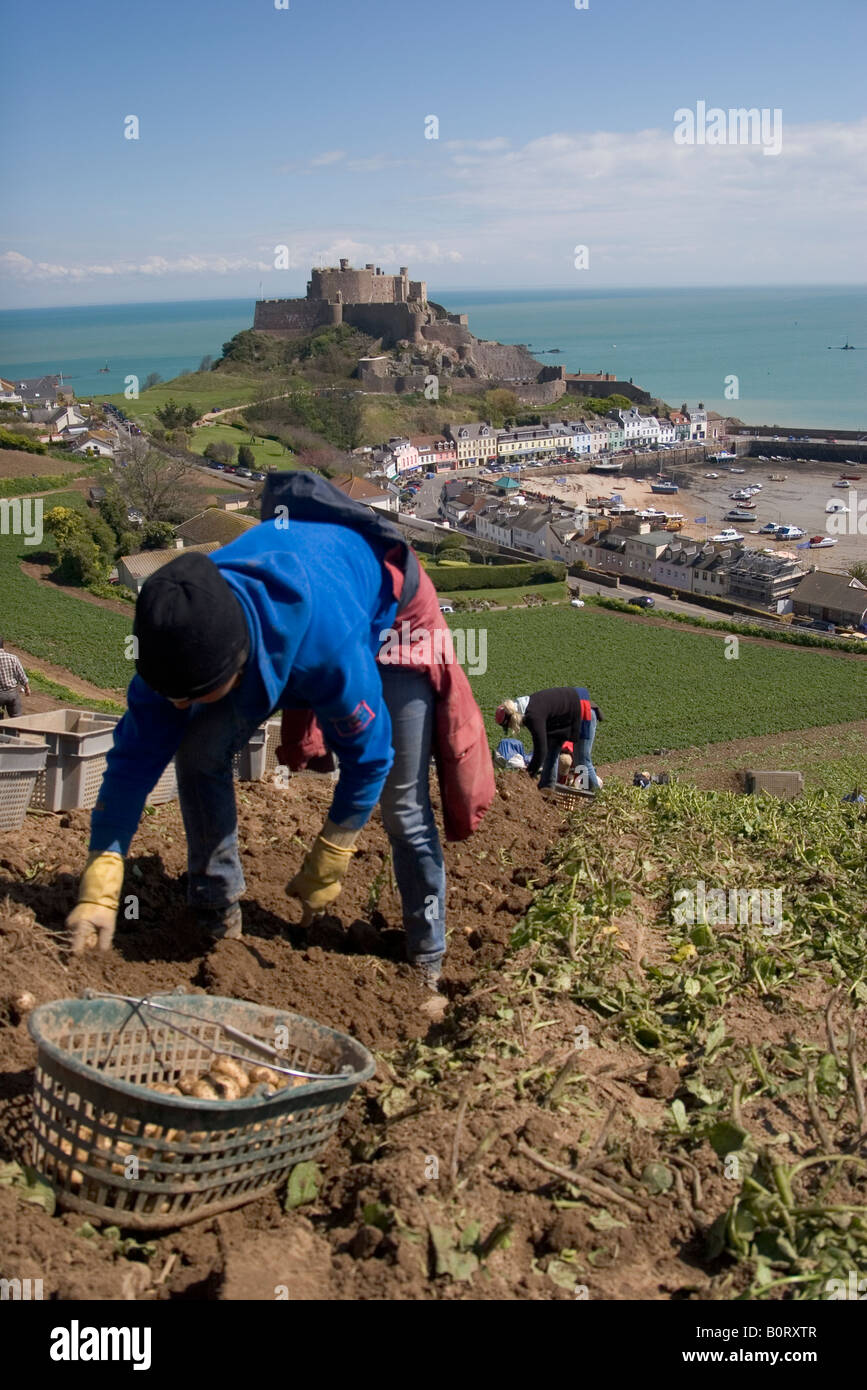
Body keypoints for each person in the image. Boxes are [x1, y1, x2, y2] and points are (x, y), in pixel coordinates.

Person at [66, 473, 494, 1010]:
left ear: (239, 666)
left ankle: (426, 956)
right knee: (198, 752)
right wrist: (103, 870)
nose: (178, 707)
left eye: (193, 696)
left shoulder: (327, 649)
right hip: (293, 614)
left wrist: (333, 848)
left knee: (402, 805)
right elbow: (133, 759)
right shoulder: (177, 635)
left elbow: (371, 756)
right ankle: (217, 917)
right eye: (172, 695)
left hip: (391, 612)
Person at [495, 687, 603, 792]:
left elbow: (540, 750)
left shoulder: (533, 715)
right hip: (562, 719)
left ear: (511, 720)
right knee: (551, 752)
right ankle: (546, 791)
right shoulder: (528, 707)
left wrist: (528, 774)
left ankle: (598, 797)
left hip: (582, 710)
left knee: (582, 761)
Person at [0, 639, 30, 719]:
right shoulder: (13, 658)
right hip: (12, 693)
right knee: (16, 719)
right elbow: (21, 674)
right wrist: (27, 688)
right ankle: (14, 731)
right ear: (3, 645)